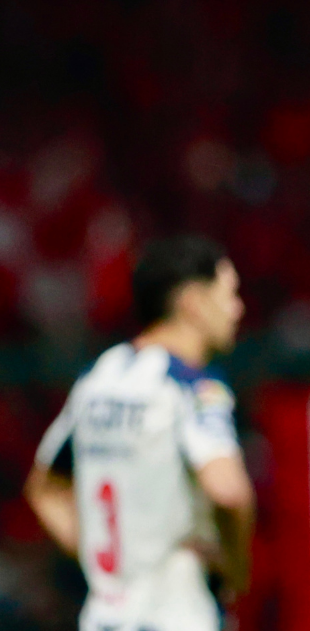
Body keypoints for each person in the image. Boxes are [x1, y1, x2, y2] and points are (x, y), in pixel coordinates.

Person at [25, 236, 256, 631]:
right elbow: (228, 490)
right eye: (229, 294)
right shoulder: (192, 386)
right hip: (177, 614)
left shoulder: (99, 378)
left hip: (105, 616)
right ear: (193, 303)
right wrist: (236, 567)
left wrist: (102, 555)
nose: (238, 309)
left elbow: (43, 488)